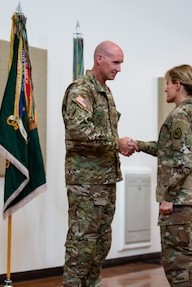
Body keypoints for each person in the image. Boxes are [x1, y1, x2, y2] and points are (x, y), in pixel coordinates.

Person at [61, 40, 138, 287]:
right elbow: (78, 130)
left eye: (121, 63)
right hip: (86, 183)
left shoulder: (104, 91)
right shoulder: (81, 90)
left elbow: (100, 134)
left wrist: (116, 145)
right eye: (116, 62)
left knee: (101, 243)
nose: (119, 68)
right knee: (82, 244)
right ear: (99, 59)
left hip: (105, 179)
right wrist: (116, 143)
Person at [136, 64, 192, 287]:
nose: (165, 89)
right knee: (189, 256)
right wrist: (138, 145)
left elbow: (184, 161)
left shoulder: (179, 115)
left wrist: (169, 196)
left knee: (177, 261)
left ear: (178, 85)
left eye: (167, 84)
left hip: (180, 200)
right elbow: (170, 150)